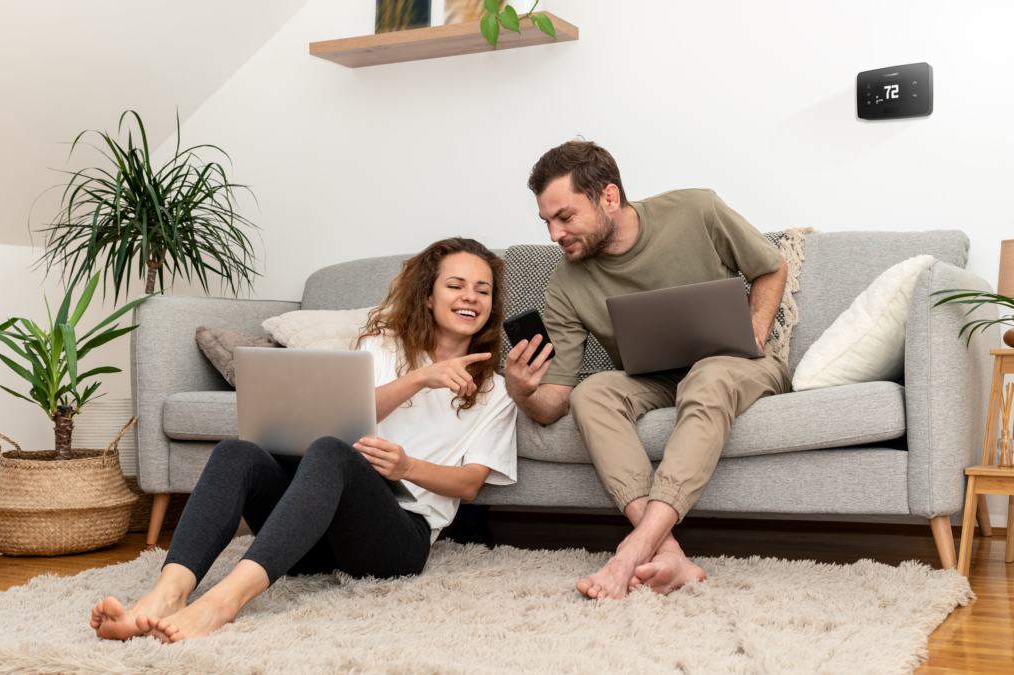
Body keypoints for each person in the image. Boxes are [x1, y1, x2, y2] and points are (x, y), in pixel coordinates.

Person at [91, 237, 517, 642]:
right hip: (310, 539)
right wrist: (420, 378)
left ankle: (221, 604)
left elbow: (470, 483)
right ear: (428, 295)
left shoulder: (497, 391)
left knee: (333, 452)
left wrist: (406, 468)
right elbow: (340, 416)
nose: (470, 297)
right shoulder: (381, 348)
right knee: (237, 452)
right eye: (456, 285)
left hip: (397, 539)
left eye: (483, 290)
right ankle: (167, 593)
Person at [504, 140, 791, 600]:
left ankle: (633, 549)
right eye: (547, 222)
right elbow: (554, 402)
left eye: (565, 217)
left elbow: (771, 266)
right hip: (655, 378)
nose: (554, 235)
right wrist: (521, 391)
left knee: (709, 375)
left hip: (737, 366)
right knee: (591, 392)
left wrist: (755, 331)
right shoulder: (566, 281)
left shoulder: (697, 209)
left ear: (609, 198)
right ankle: (671, 554)